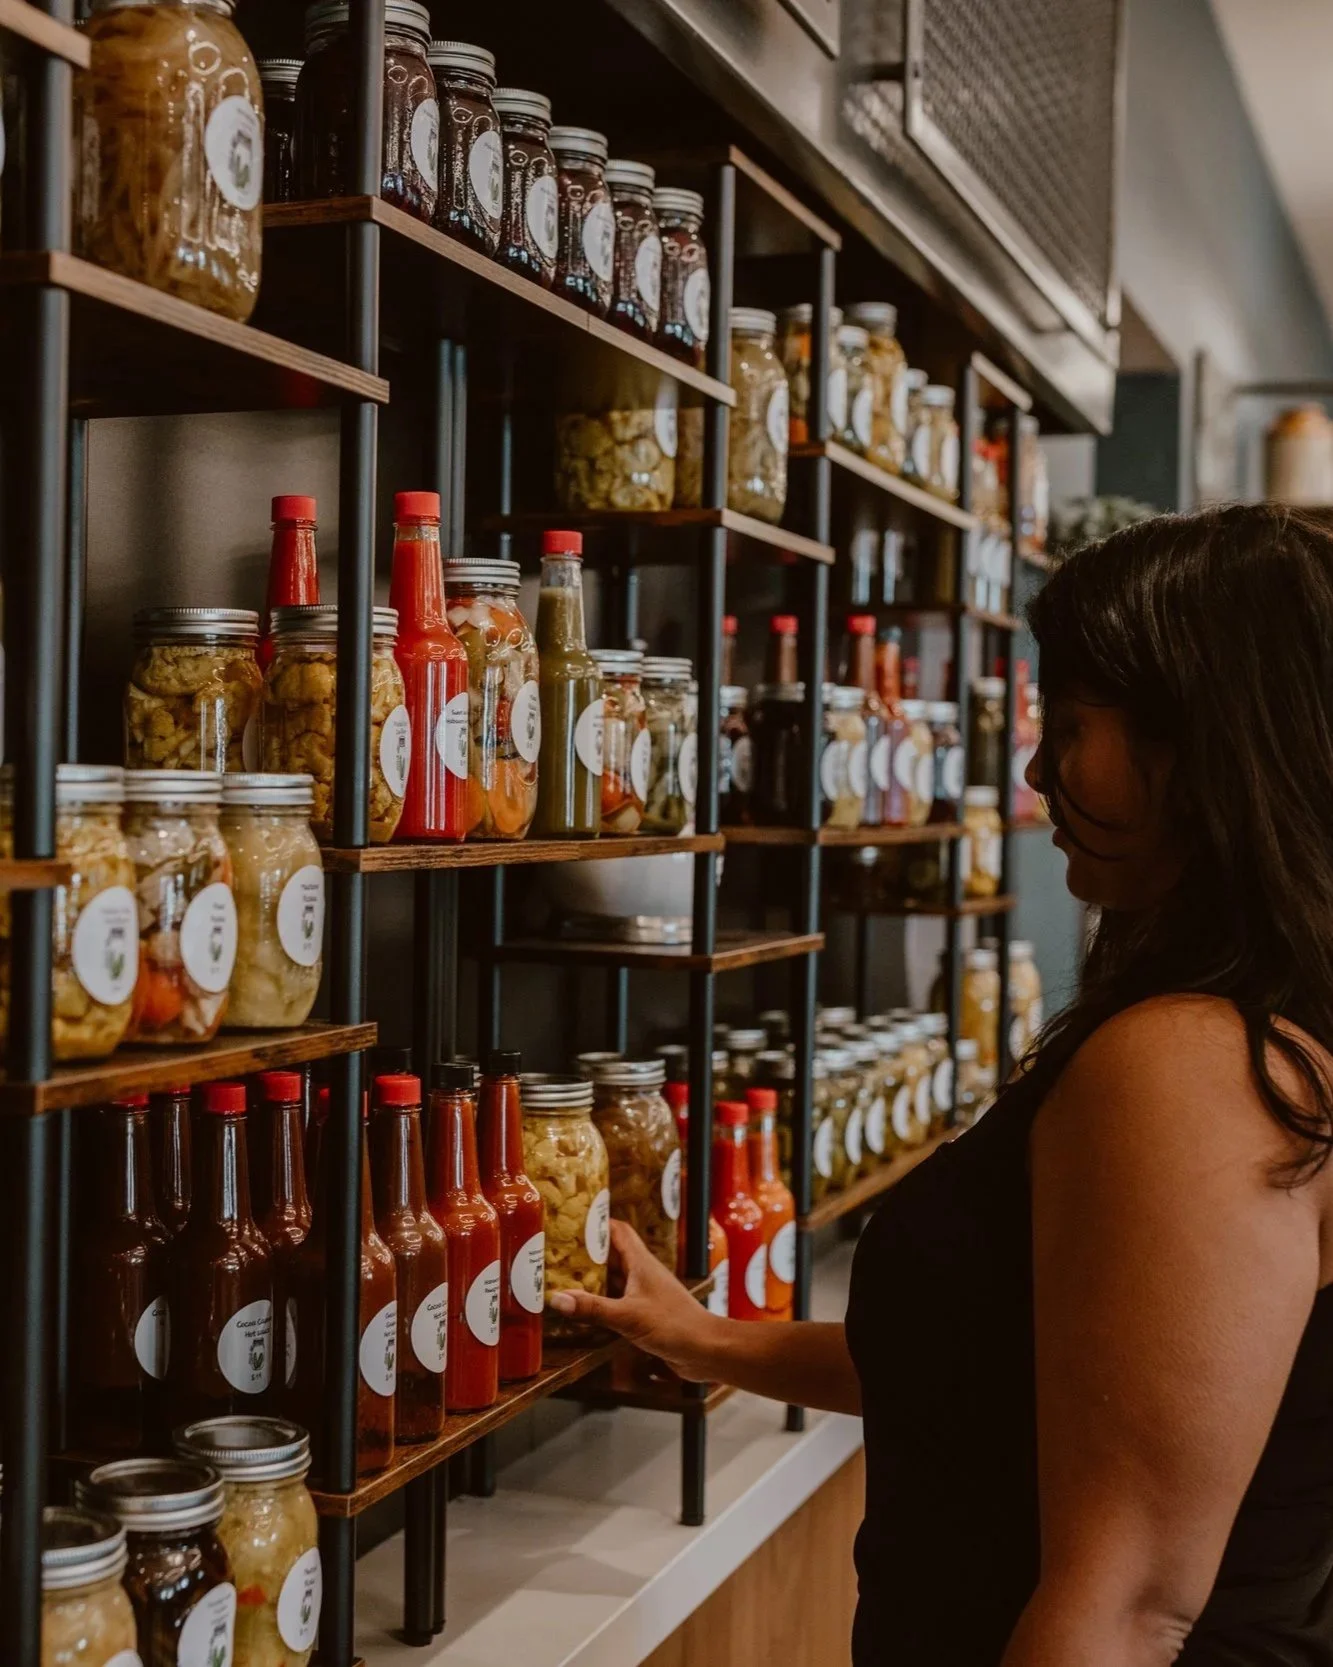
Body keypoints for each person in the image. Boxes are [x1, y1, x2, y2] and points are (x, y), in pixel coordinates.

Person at [549, 503, 1333, 1665]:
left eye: (1069, 724)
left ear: (1202, 748)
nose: (1033, 768)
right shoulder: (1247, 1032)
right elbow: (1017, 1363)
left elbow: (1122, 1611)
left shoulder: (1188, 1066)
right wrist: (710, 1338)